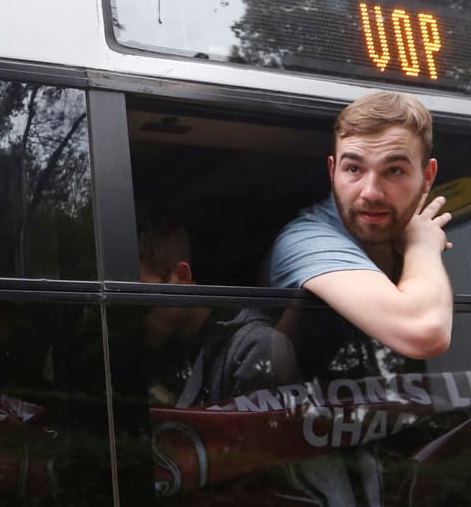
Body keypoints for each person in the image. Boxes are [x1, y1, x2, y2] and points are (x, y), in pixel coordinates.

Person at [264, 91, 453, 376]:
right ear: (332, 171)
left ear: (427, 178)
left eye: (394, 170)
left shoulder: (405, 231)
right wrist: (422, 245)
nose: (371, 192)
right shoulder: (305, 240)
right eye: (354, 169)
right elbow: (425, 330)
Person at [137, 212, 293, 406]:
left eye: (142, 302)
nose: (134, 317)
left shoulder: (252, 348)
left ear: (181, 277)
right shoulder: (168, 350)